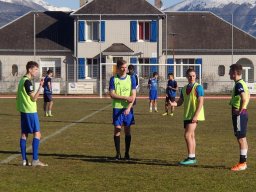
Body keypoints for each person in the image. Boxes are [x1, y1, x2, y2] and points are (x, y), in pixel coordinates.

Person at [170, 68, 204, 165]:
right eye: (190, 76)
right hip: (187, 115)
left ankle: (191, 157)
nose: (192, 77)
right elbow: (180, 102)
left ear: (196, 76)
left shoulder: (198, 87)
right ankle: (192, 157)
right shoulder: (184, 88)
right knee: (191, 136)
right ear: (186, 77)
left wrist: (196, 115)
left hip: (194, 115)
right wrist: (174, 104)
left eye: (193, 76)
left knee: (187, 135)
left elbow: (201, 102)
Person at [16, 61, 48, 167]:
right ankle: (35, 160)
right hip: (30, 111)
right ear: (29, 70)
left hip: (23, 111)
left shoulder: (22, 80)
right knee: (37, 134)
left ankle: (24, 160)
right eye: (35, 69)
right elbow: (34, 98)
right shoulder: (27, 82)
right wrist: (40, 87)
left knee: (24, 134)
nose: (36, 72)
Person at [109, 59, 136, 160]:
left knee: (127, 131)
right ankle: (118, 153)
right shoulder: (113, 79)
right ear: (118, 68)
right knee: (117, 130)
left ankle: (127, 153)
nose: (125, 69)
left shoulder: (131, 78)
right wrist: (125, 98)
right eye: (122, 67)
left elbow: (133, 95)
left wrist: (129, 108)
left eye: (126, 67)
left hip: (128, 109)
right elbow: (112, 94)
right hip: (117, 108)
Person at [229, 64, 250, 171]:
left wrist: (240, 111)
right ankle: (244, 162)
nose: (228, 74)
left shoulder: (238, 85)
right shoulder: (241, 83)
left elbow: (244, 98)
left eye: (230, 72)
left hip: (239, 115)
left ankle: (242, 163)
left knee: (241, 139)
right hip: (242, 114)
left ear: (234, 73)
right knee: (243, 138)